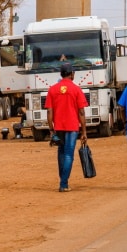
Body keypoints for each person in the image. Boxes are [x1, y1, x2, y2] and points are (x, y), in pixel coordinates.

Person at [46, 62, 88, 192]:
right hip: (72, 127)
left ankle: (63, 179)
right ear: (72, 74)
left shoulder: (52, 89)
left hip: (58, 127)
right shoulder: (76, 89)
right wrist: (84, 131)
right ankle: (63, 183)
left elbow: (49, 112)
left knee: (61, 153)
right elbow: (81, 112)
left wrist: (51, 129)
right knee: (69, 154)